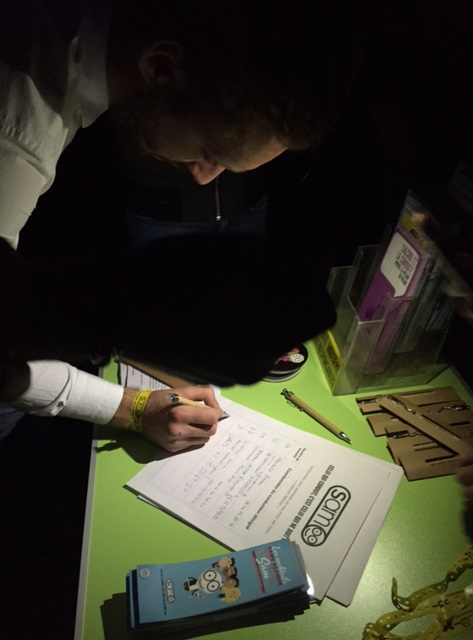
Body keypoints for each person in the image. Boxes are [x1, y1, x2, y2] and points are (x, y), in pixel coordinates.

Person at [0, 0, 361, 449]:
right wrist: (116, 320)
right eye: (210, 153)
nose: (204, 177)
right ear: (161, 66)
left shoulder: (64, 45)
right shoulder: (15, 125)